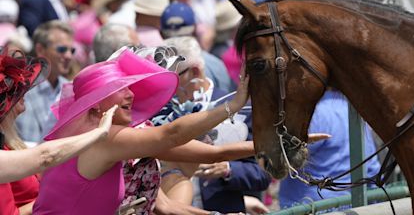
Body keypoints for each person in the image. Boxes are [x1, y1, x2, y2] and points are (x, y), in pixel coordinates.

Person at [32, 48, 252, 214]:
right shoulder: (101, 137)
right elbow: (171, 134)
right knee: (180, 182)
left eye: (133, 87)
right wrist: (233, 105)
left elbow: (164, 204)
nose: (132, 95)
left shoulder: (104, 133)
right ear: (96, 102)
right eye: (121, 88)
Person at [152, 37, 271, 214]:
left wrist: (228, 169)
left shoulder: (241, 108)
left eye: (171, 79)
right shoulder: (159, 112)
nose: (166, 88)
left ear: (195, 72)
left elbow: (262, 175)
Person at [0, 48, 117, 214]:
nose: (23, 95)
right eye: (13, 92)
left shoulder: (9, 142)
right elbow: (45, 157)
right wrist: (99, 133)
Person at [279, 89, 381, 209]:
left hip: (310, 206)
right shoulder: (352, 109)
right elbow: (372, 167)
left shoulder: (312, 113)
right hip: (352, 204)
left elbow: (283, 162)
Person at [16, 20, 75, 143]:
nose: (69, 56)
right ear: (40, 50)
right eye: (62, 49)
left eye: (72, 50)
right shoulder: (19, 87)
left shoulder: (71, 89)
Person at [160, 1, 235, 93]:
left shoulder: (155, 68)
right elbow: (227, 100)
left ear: (161, 34)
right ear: (195, 29)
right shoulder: (215, 64)